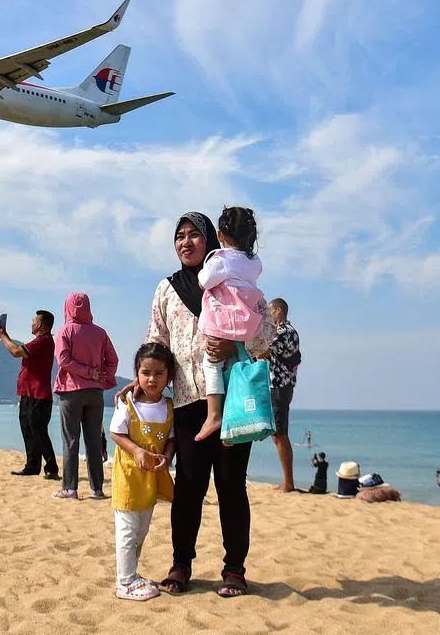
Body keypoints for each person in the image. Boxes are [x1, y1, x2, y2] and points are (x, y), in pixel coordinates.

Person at [144, 212, 273, 598]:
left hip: (233, 401)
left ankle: (234, 569)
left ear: (210, 240)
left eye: (193, 236)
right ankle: (181, 564)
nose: (186, 243)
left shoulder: (235, 280)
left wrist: (235, 345)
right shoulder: (166, 289)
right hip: (186, 404)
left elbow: (266, 332)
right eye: (179, 236)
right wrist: (143, 380)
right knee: (188, 488)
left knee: (232, 486)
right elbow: (157, 341)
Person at [110, 343, 177, 601]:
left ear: (168, 376)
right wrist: (137, 451)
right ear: (136, 374)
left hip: (151, 480)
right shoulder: (127, 404)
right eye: (145, 372)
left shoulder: (168, 407)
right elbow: (116, 433)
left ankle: (132, 574)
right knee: (127, 530)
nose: (152, 378)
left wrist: (168, 457)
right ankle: (124, 582)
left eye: (159, 373)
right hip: (128, 478)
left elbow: (170, 439)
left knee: (141, 530)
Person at [194, 206, 265, 442]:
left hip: (223, 321)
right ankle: (241, 418)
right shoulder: (254, 262)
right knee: (240, 367)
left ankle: (214, 415)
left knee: (212, 364)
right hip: (245, 323)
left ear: (220, 235)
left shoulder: (221, 259)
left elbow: (204, 281)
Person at [53, 293, 118, 500]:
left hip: (71, 391)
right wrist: (101, 376)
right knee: (94, 441)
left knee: (71, 440)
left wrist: (88, 373)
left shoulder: (64, 331)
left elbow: (63, 360)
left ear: (67, 308)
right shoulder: (100, 333)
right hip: (95, 393)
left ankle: (70, 489)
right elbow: (113, 360)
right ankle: (97, 489)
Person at [0, 312, 59, 480]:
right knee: (28, 430)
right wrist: (6, 336)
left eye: (33, 321)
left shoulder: (43, 341)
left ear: (40, 324)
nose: (31, 323)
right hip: (28, 394)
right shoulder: (39, 342)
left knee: (38, 430)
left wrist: (3, 337)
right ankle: (32, 465)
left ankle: (52, 467)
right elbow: (19, 350)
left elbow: (16, 351)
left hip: (38, 395)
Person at [258, 297, 301, 492]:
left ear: (278, 311)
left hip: (279, 385)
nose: (268, 314)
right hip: (280, 385)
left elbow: (264, 352)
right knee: (277, 434)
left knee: (280, 434)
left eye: (270, 311)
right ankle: (288, 482)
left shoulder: (283, 331)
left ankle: (289, 484)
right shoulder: (289, 331)